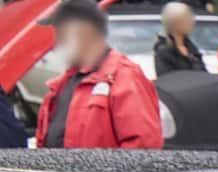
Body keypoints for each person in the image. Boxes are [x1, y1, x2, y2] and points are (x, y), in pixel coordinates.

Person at [33, 0, 163, 149]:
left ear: (86, 33)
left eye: (61, 34)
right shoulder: (61, 86)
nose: (56, 43)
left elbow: (143, 147)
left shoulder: (124, 78)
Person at [153, 2, 204, 76]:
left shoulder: (191, 47)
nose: (192, 21)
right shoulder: (163, 50)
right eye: (187, 19)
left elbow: (204, 74)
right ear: (175, 22)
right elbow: (166, 80)